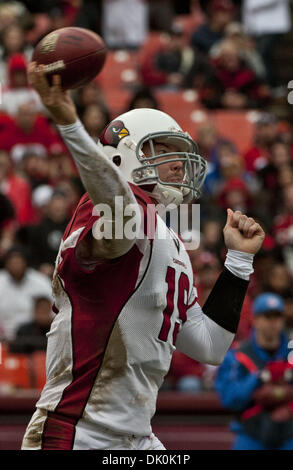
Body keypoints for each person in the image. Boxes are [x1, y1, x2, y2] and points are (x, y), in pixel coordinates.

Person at [21, 62, 265, 450]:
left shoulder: (171, 240)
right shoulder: (114, 212)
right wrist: (71, 125)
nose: (174, 161)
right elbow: (117, 206)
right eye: (161, 149)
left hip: (137, 437)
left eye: (176, 151)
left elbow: (210, 346)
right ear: (122, 157)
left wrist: (238, 262)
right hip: (80, 430)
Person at [215, 292, 293, 450]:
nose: (273, 322)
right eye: (267, 316)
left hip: (289, 434)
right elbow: (229, 398)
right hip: (251, 434)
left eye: (277, 316)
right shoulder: (238, 355)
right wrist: (257, 380)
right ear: (255, 319)